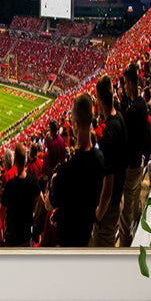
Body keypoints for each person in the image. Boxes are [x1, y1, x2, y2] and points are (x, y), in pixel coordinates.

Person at [47, 93, 105, 247]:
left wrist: (53, 182)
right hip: (87, 234)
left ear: (76, 124)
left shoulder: (67, 171)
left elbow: (49, 203)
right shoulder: (100, 158)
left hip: (69, 242)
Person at [119, 63, 151, 246]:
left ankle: (125, 246)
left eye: (125, 83)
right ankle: (139, 226)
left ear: (131, 83)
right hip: (138, 163)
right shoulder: (139, 105)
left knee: (126, 213)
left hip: (132, 166)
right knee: (135, 202)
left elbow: (129, 140)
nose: (124, 87)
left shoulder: (135, 109)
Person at [92, 75, 128, 247]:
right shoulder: (120, 118)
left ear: (99, 99)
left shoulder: (107, 134)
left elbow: (108, 182)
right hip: (118, 196)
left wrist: (98, 215)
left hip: (109, 207)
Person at [0, 143, 42, 247]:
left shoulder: (10, 185)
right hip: (26, 233)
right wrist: (34, 218)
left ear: (15, 161)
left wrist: (2, 232)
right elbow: (41, 201)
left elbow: (1, 213)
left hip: (12, 235)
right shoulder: (32, 180)